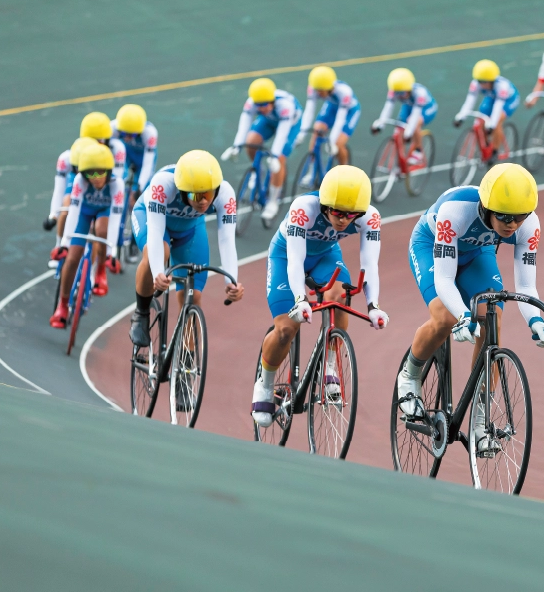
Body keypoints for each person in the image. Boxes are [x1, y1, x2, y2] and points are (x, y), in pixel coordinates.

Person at [396, 163, 544, 454]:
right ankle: (409, 375)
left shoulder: (528, 225)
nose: (512, 225)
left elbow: (526, 288)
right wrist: (462, 316)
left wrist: (537, 323)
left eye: (519, 217)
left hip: (476, 252)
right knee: (444, 318)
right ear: (486, 206)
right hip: (430, 245)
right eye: (505, 217)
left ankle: (480, 423)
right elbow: (444, 279)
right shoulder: (455, 212)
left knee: (491, 319)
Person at [251, 165, 388, 427]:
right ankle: (265, 384)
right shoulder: (304, 207)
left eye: (351, 215)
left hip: (326, 256)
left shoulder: (370, 217)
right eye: (337, 212)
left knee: (339, 295)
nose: (343, 219)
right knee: (286, 329)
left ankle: (330, 366)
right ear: (325, 205)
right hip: (286, 257)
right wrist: (301, 299)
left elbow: (370, 265)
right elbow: (295, 259)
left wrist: (373, 305)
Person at [128, 151, 244, 347]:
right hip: (152, 220)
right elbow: (156, 232)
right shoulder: (163, 184)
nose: (203, 201)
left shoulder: (225, 193)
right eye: (196, 195)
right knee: (159, 252)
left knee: (193, 295)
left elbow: (226, 239)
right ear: (182, 190)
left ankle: (186, 362)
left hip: (189, 230)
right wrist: (158, 272)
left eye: (208, 194)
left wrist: (232, 281)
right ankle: (141, 313)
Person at [49, 144, 124, 327]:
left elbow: (115, 220)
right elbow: (73, 213)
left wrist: (111, 254)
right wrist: (65, 244)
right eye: (90, 174)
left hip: (105, 213)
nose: (95, 178)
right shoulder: (79, 182)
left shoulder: (117, 184)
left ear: (108, 171)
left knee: (101, 228)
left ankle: (100, 272)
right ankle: (63, 306)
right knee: (72, 258)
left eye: (100, 173)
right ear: (83, 174)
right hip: (83, 213)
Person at [222, 78, 303, 223]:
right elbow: (245, 123)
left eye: (264, 105)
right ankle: (258, 171)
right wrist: (237, 146)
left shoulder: (285, 106)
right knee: (251, 142)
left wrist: (275, 155)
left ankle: (273, 201)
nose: (260, 109)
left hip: (289, 125)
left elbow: (282, 134)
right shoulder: (253, 102)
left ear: (272, 101)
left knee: (279, 160)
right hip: (269, 121)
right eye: (258, 106)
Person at [44, 136, 98, 267]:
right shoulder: (65, 159)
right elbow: (59, 189)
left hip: (93, 176)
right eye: (76, 167)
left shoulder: (98, 162)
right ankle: (59, 245)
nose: (78, 170)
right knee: (67, 204)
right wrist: (53, 216)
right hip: (76, 180)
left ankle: (91, 270)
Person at [297, 66, 360, 172]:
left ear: (330, 88)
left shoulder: (344, 92)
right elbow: (309, 111)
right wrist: (302, 133)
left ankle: (345, 170)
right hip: (332, 107)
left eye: (321, 91)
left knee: (338, 144)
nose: (318, 93)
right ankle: (311, 169)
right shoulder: (313, 87)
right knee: (316, 131)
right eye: (317, 90)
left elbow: (340, 119)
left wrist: (331, 141)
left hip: (349, 112)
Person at [371, 68, 438, 166]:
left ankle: (418, 151)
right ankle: (401, 164)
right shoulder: (394, 91)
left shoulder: (420, 93)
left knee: (414, 123)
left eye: (402, 93)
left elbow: (415, 116)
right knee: (399, 128)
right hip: (409, 106)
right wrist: (380, 125)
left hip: (426, 109)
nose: (400, 96)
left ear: (409, 89)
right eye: (397, 93)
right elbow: (388, 108)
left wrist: (408, 133)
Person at [453, 60, 519, 159]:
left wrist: (492, 125)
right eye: (479, 81)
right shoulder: (475, 84)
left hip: (508, 100)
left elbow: (497, 108)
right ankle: (486, 147)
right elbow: (470, 101)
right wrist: (460, 117)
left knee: (497, 121)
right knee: (480, 121)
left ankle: (495, 151)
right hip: (492, 97)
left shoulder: (502, 87)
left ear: (492, 80)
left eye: (484, 82)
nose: (481, 85)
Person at [111, 104, 159, 204]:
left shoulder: (150, 133)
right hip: (126, 153)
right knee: (118, 181)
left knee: (139, 197)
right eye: (124, 134)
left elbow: (148, 164)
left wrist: (139, 187)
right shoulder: (112, 127)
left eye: (132, 135)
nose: (127, 138)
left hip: (142, 158)